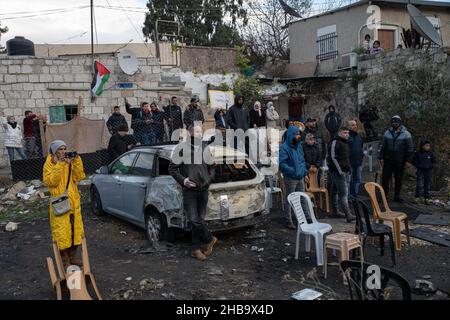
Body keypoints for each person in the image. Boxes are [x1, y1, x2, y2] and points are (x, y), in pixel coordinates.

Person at [169, 124, 217, 261]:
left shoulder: (205, 148)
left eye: (201, 131)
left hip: (203, 190)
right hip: (189, 191)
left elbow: (212, 167)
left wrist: (209, 180)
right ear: (190, 133)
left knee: (200, 220)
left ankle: (195, 249)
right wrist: (184, 181)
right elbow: (172, 169)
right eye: (197, 131)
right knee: (194, 219)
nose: (200, 133)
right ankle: (210, 239)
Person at [43, 140, 86, 269]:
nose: (63, 152)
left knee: (75, 230)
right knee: (62, 232)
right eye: (60, 149)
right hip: (60, 202)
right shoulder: (49, 164)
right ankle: (65, 259)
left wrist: (77, 160)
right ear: (54, 151)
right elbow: (51, 182)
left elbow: (79, 176)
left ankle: (73, 257)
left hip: (73, 201)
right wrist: (60, 165)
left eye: (64, 149)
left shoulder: (69, 162)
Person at [279, 125, 309, 229]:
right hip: (290, 178)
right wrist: (294, 171)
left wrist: (304, 173)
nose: (298, 136)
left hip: (300, 177)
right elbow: (282, 164)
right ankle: (289, 220)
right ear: (291, 135)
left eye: (299, 134)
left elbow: (302, 160)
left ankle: (305, 218)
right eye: (296, 134)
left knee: (302, 198)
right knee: (290, 199)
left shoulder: (299, 146)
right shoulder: (284, 147)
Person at [379, 115, 414, 202]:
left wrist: (408, 161)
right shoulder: (387, 133)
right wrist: (381, 157)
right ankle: (384, 195)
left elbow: (410, 149)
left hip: (400, 160)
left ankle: (397, 196)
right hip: (388, 159)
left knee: (399, 178)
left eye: (396, 122)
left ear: (400, 123)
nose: (395, 123)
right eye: (393, 122)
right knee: (385, 178)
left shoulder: (406, 134)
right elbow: (383, 146)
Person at [327, 127, 355, 222]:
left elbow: (345, 158)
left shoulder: (345, 142)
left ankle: (335, 211)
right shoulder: (335, 142)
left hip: (346, 171)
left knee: (334, 191)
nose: (347, 134)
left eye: (348, 133)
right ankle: (348, 214)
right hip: (338, 172)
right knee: (344, 193)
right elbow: (333, 158)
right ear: (339, 133)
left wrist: (349, 169)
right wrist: (340, 171)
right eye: (344, 133)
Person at [412, 140, 436, 204]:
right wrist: (419, 166)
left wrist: (430, 166)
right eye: (427, 145)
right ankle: (417, 198)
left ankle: (426, 198)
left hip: (428, 172)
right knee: (419, 185)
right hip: (420, 171)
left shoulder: (430, 154)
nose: (428, 147)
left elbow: (434, 162)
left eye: (429, 146)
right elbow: (414, 161)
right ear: (422, 146)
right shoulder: (418, 153)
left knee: (427, 185)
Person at [347, 119, 365, 196]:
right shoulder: (347, 137)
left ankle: (355, 194)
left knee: (357, 179)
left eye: (355, 125)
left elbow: (361, 148)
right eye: (353, 125)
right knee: (349, 180)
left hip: (358, 162)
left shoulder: (359, 137)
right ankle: (349, 195)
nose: (355, 126)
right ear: (348, 126)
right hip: (349, 162)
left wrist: (361, 156)